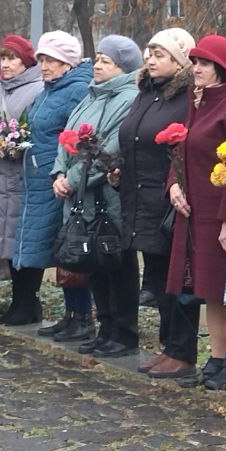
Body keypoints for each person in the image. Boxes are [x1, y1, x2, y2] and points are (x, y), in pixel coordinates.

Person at [167, 35, 226, 390]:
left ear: (221, 67)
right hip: (195, 211)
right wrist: (173, 186)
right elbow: (182, 147)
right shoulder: (199, 101)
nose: (196, 69)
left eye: (204, 63)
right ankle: (218, 357)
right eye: (195, 62)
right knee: (209, 287)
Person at [113, 28, 202, 378]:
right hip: (138, 197)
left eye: (160, 54)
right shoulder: (146, 93)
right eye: (149, 51)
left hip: (168, 201)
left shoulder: (187, 98)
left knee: (176, 278)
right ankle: (168, 348)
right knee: (157, 277)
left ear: (180, 60)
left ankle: (182, 350)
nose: (150, 58)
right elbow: (134, 138)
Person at [52, 36, 143, 357]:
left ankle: (125, 333)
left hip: (108, 197)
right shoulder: (90, 96)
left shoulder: (131, 98)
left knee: (116, 262)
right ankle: (105, 328)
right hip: (81, 198)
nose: (98, 65)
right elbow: (68, 138)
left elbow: (111, 149)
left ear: (124, 66)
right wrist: (59, 174)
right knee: (93, 264)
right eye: (98, 59)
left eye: (107, 60)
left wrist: (73, 179)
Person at [12, 32, 93, 337]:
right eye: (42, 60)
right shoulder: (48, 90)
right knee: (59, 249)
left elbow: (75, 137)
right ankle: (71, 313)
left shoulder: (75, 91)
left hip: (62, 181)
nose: (44, 66)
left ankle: (83, 315)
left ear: (68, 63)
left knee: (73, 246)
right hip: (40, 181)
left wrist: (63, 174)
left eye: (51, 60)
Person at [0, 35, 44, 324]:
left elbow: (31, 136)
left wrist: (3, 146)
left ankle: (26, 301)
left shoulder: (37, 89)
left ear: (26, 63)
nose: (6, 64)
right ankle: (16, 301)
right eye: (2, 58)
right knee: (1, 243)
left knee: (19, 239)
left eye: (12, 58)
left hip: (20, 177)